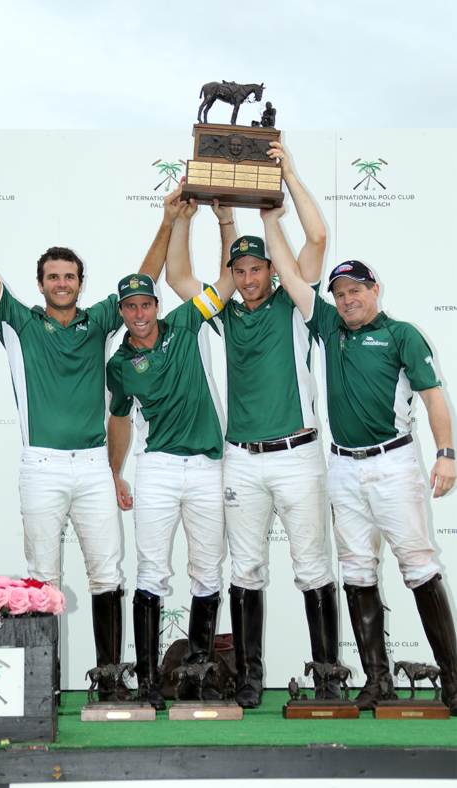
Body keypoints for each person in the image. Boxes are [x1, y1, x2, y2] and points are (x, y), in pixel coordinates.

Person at [0, 174, 186, 701]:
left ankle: (111, 682)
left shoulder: (97, 322)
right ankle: (41, 687)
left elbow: (144, 277)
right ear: (41, 283)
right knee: (42, 580)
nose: (62, 283)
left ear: (79, 281)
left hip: (94, 467)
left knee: (106, 576)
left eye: (69, 275)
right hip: (41, 467)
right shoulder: (19, 323)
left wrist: (166, 220)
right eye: (53, 276)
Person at [261, 184, 457, 714]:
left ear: (375, 290)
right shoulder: (326, 325)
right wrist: (270, 218)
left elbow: (434, 396)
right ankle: (377, 681)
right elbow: (289, 271)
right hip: (342, 468)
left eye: (356, 291)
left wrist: (446, 452)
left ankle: (456, 680)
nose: (347, 300)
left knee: (418, 566)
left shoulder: (402, 335)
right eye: (341, 293)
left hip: (394, 463)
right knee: (357, 571)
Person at [165, 141, 339, 709]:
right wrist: (202, 221)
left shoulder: (295, 302)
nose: (246, 278)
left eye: (255, 268)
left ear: (270, 269)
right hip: (241, 457)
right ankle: (248, 674)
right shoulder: (221, 314)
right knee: (246, 569)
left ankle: (330, 675)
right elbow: (178, 278)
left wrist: (285, 179)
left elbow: (315, 240)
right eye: (238, 270)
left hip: (297, 454)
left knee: (313, 565)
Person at [107, 267, 232, 710]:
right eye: (130, 306)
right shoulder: (119, 365)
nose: (139, 313)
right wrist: (116, 472)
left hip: (206, 466)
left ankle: (196, 676)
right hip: (156, 466)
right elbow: (119, 418)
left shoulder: (185, 321)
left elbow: (227, 285)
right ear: (121, 311)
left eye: (146, 304)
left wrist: (223, 223)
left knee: (207, 570)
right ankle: (146, 683)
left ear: (157, 306)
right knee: (150, 572)